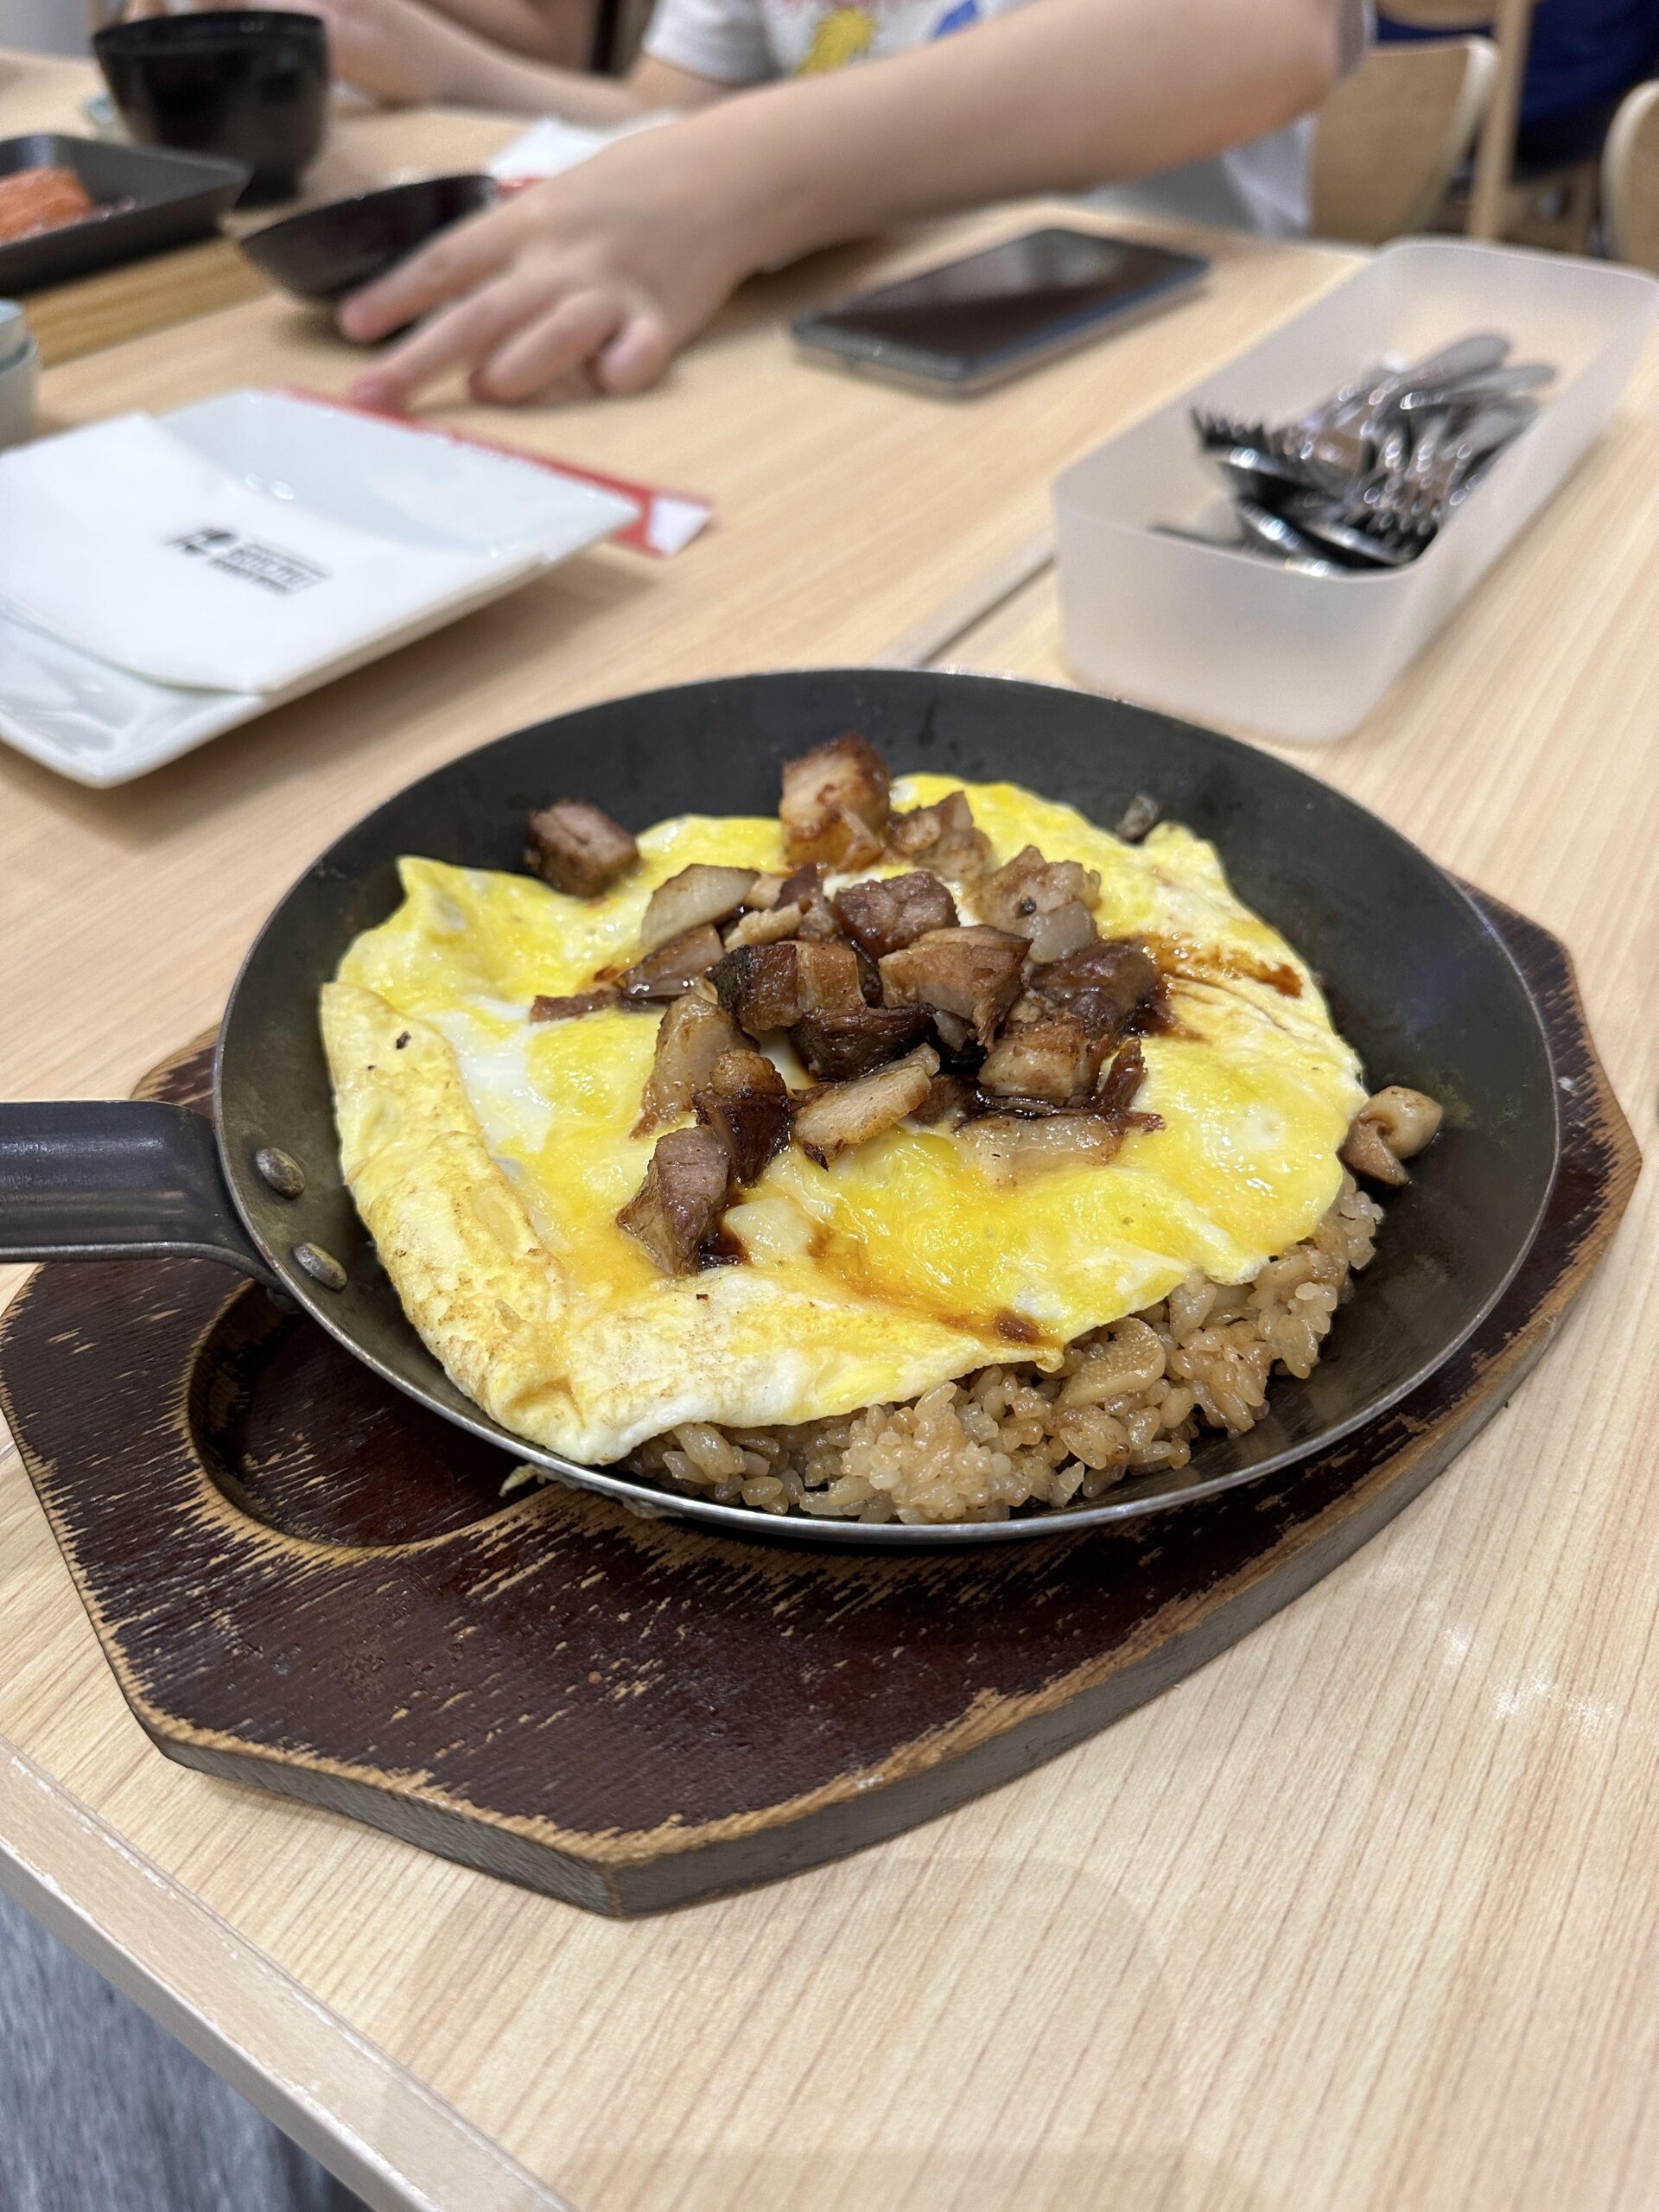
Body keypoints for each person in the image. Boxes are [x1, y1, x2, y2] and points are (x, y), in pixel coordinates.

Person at [274, 0, 1364, 408]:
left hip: (1167, 363)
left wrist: (737, 175)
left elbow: (1267, 31)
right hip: (855, 351)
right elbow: (661, 116)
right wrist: (441, 63)